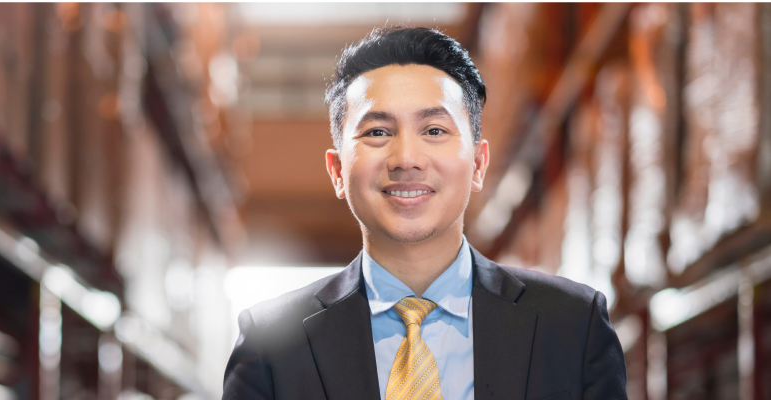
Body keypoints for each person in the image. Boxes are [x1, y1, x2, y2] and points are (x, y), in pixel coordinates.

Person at [222, 26, 627, 400]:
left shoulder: (574, 326)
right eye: (377, 132)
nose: (407, 158)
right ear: (337, 171)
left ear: (479, 164)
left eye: (434, 130)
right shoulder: (269, 345)